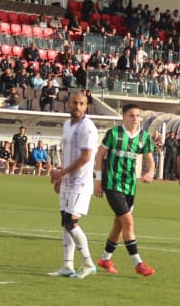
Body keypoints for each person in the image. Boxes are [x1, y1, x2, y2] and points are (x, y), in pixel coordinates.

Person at [94, 104, 156, 276]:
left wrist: (150, 172)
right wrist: (98, 181)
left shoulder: (144, 137)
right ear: (124, 117)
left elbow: (150, 159)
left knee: (119, 225)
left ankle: (105, 259)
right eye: (131, 115)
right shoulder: (114, 134)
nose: (135, 119)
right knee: (128, 222)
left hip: (130, 185)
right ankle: (138, 263)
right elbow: (99, 156)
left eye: (138, 115)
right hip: (112, 184)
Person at [51, 90, 99, 278]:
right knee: (65, 222)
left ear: (86, 106)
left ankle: (88, 263)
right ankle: (67, 266)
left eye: (81, 104)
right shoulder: (67, 125)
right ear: (68, 104)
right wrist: (62, 177)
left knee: (71, 222)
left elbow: (86, 157)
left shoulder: (87, 127)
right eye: (74, 103)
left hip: (81, 182)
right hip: (68, 181)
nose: (77, 107)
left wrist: (61, 172)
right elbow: (68, 153)